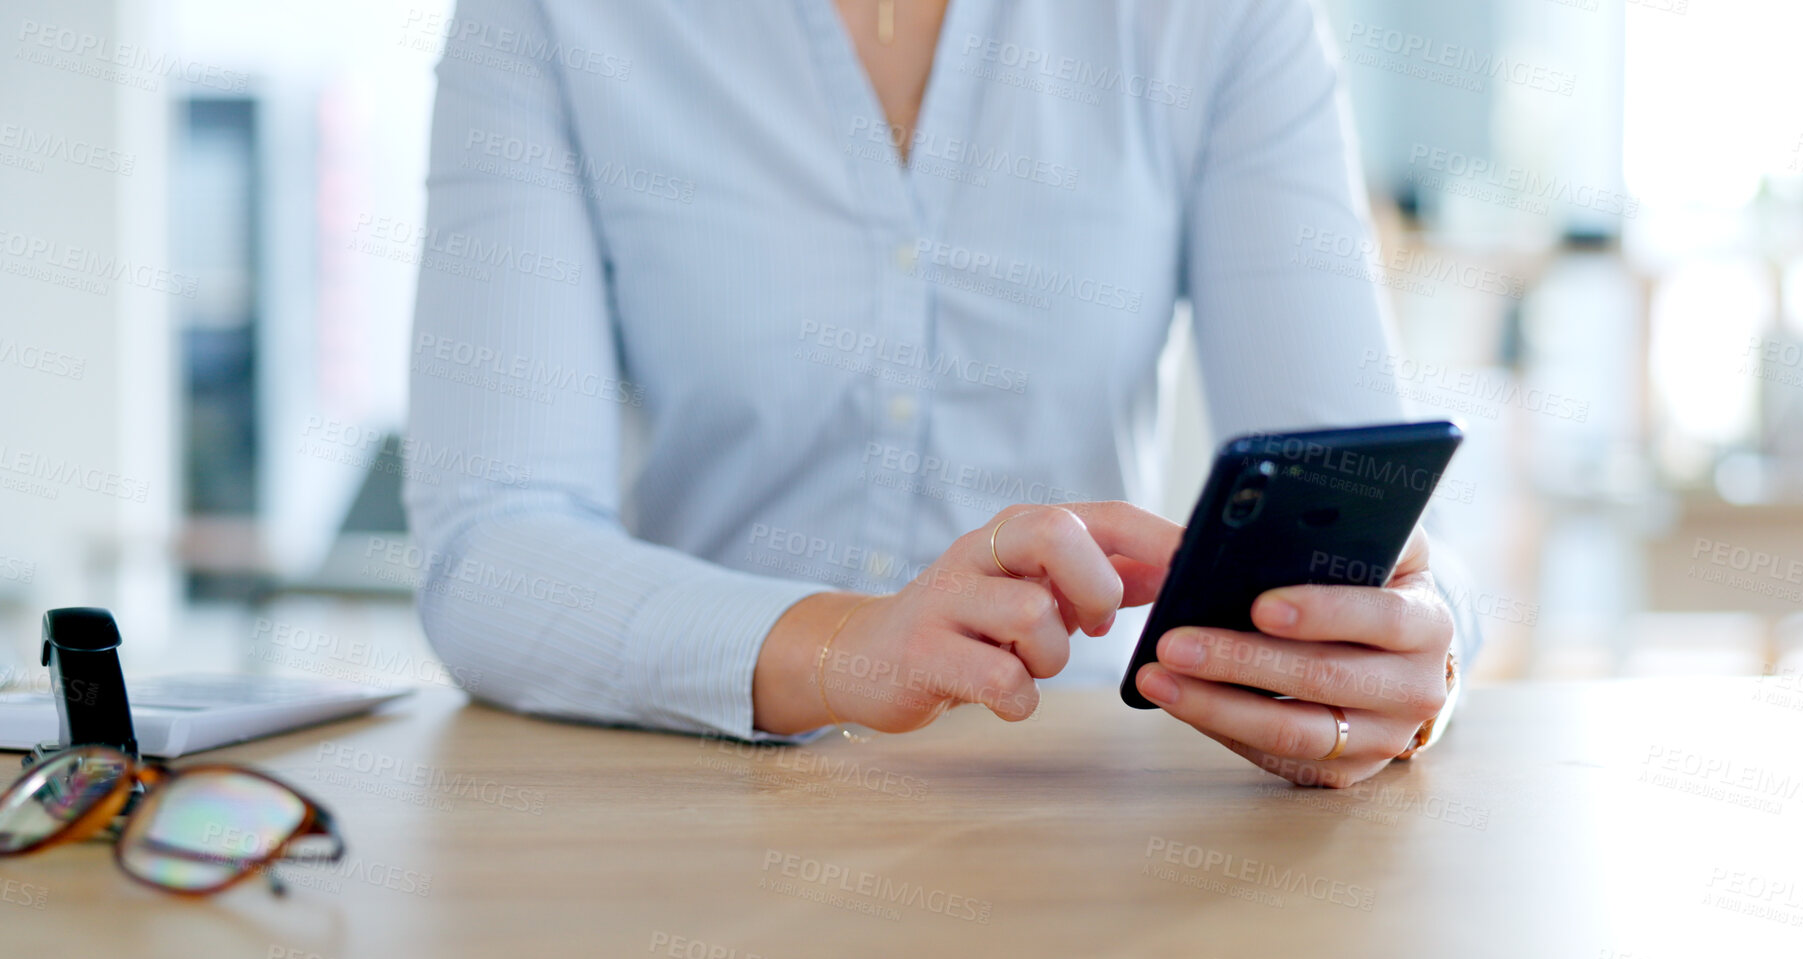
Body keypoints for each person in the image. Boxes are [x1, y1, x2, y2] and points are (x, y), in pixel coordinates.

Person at [406, 0, 1478, 789]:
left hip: (1088, 828)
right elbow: (491, 547)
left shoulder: (1219, 20)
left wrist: (1418, 643)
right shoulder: (546, 20)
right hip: (693, 803)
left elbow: (1364, 507)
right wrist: (845, 645)